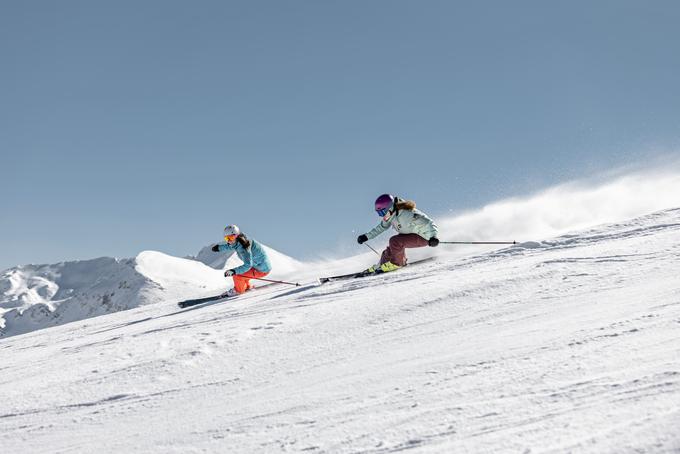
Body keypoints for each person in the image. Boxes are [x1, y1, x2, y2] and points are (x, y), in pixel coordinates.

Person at [357, 194, 439, 273]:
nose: (381, 215)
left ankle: (397, 263)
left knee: (395, 241)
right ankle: (381, 265)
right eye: (379, 213)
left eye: (382, 212)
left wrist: (433, 236)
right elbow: (381, 227)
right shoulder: (390, 215)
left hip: (425, 237)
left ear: (389, 208)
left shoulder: (406, 213)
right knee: (389, 250)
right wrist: (366, 237)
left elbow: (428, 222)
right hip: (410, 235)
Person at [211, 225, 272, 297]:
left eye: (231, 237)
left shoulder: (244, 246)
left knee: (237, 275)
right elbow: (230, 246)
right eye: (227, 238)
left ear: (236, 235)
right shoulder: (239, 241)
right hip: (258, 266)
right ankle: (246, 287)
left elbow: (248, 265)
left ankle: (238, 291)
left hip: (262, 269)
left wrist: (234, 271)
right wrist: (219, 248)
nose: (229, 240)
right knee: (242, 273)